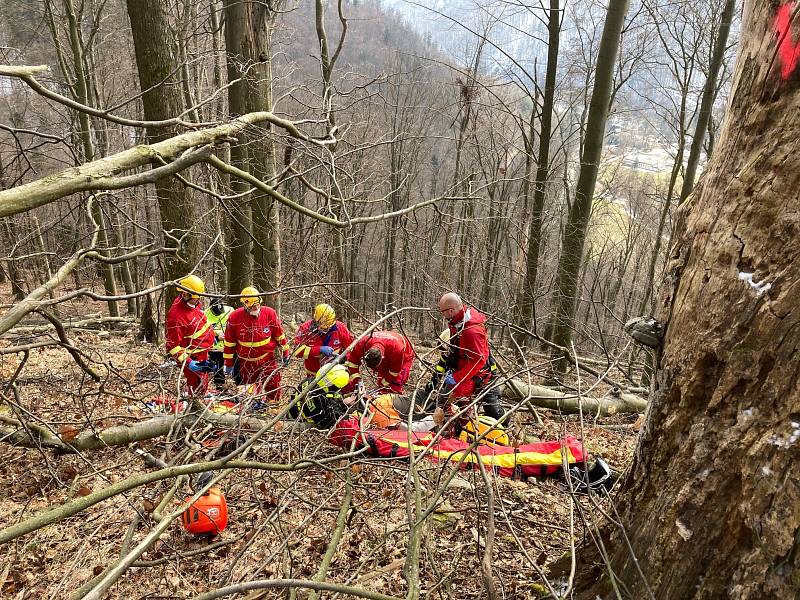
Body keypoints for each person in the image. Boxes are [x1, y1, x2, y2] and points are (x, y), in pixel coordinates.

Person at [436, 292, 502, 419]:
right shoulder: (456, 321)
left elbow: (478, 361)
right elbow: (457, 347)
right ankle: (462, 420)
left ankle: (500, 422)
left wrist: (457, 377)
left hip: (480, 375)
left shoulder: (471, 331)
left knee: (494, 414)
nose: (442, 315)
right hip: (464, 369)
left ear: (451, 310)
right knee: (444, 399)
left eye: (442, 311)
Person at [222, 286, 290, 400]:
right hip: (246, 363)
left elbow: (280, 336)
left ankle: (273, 405)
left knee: (273, 386)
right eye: (252, 306)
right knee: (250, 391)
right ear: (245, 305)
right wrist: (228, 364)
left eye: (257, 305)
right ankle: (254, 410)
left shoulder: (270, 313)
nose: (256, 308)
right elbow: (229, 343)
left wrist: (285, 352)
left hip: (267, 359)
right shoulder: (234, 318)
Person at [165, 275, 215, 396]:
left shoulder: (191, 303)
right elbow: (172, 346)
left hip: (202, 352)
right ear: (186, 295)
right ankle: (195, 408)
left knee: (203, 383)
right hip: (193, 356)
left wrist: (213, 335)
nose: (199, 301)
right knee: (197, 385)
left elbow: (198, 323)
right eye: (196, 298)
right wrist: (189, 362)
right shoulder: (176, 317)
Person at [343, 330, 415, 394]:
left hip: (405, 356)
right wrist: (357, 380)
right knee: (382, 383)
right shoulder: (362, 343)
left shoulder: (397, 349)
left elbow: (394, 372)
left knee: (394, 386)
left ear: (382, 358)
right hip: (387, 350)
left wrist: (384, 383)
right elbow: (352, 363)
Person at [292, 303, 354, 376]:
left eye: (328, 327)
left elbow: (350, 348)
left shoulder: (340, 328)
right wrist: (318, 350)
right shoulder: (305, 329)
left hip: (334, 373)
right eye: (323, 327)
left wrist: (344, 360)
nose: (326, 330)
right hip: (313, 373)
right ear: (316, 320)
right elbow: (297, 352)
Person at [287, 364, 351, 428]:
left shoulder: (310, 380)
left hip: (292, 409)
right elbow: (332, 421)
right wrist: (346, 407)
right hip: (303, 421)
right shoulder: (324, 402)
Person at [204, 297, 233, 388]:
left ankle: (237, 382)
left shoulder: (230, 311)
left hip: (229, 343)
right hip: (214, 345)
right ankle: (219, 384)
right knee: (217, 364)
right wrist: (216, 336)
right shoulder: (205, 316)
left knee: (233, 363)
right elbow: (204, 333)